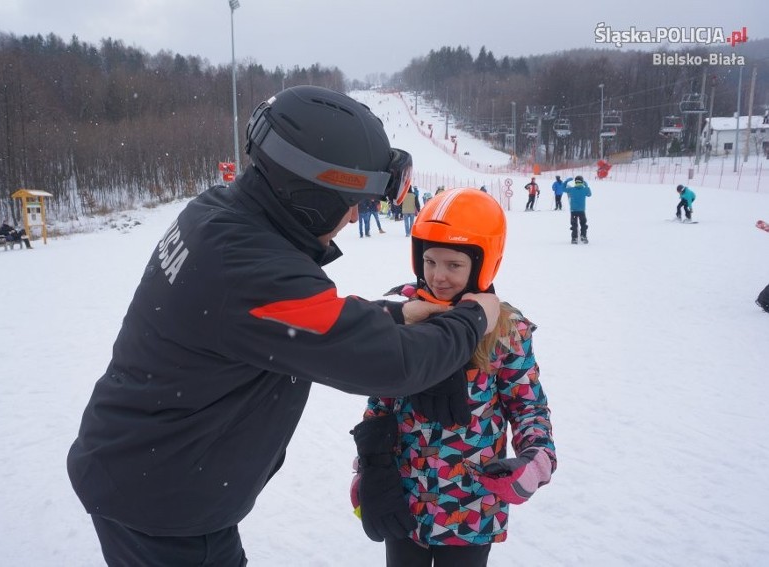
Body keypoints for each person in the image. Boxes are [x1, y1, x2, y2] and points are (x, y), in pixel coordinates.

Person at [66, 85, 502, 567]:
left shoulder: (219, 214)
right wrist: (473, 317)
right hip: (166, 508)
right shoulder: (252, 269)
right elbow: (394, 364)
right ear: (309, 197)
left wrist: (397, 312)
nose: (357, 213)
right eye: (353, 199)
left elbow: (298, 319)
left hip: (144, 471)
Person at [350, 188, 556, 566]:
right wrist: (370, 468)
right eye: (429, 261)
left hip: (471, 505)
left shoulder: (505, 330)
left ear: (481, 265)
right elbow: (381, 402)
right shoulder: (404, 317)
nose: (438, 276)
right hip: (404, 497)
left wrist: (535, 457)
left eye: (453, 265)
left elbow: (527, 406)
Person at [564, 175, 592, 244]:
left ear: (575, 182)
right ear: (582, 182)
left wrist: (566, 181)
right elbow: (589, 194)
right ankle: (583, 237)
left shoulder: (571, 189)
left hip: (573, 211)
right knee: (583, 224)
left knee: (574, 225)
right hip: (581, 211)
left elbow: (563, 189)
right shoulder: (584, 189)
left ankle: (574, 238)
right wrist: (586, 186)